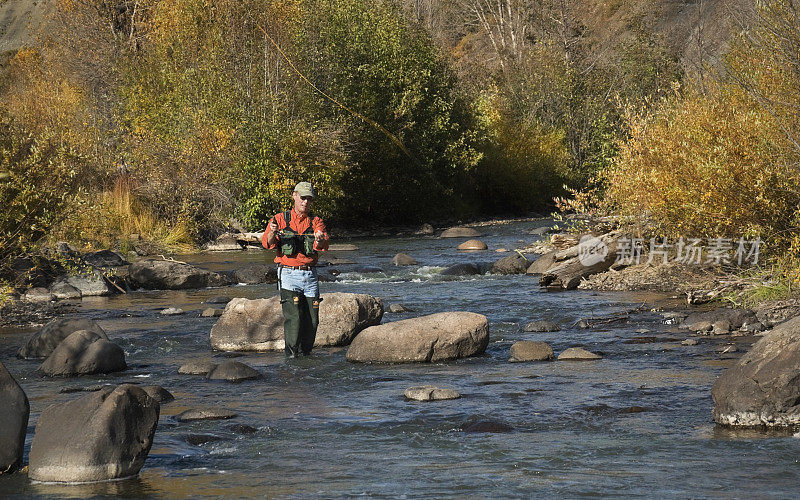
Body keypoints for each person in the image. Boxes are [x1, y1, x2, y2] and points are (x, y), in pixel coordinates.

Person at [262, 182, 329, 357]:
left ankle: (306, 357)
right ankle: (292, 358)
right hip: (288, 275)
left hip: (310, 275)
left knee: (312, 321)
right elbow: (267, 243)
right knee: (294, 320)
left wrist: (320, 239)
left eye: (309, 199)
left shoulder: (316, 222)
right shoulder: (279, 219)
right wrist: (272, 232)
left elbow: (323, 245)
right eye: (303, 197)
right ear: (294, 196)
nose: (305, 202)